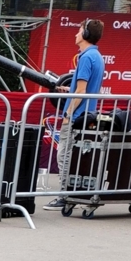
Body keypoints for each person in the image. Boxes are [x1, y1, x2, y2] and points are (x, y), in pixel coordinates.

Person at [47, 19, 105, 210]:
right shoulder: (96, 56)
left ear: (86, 35)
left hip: (77, 116)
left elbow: (81, 91)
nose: (75, 34)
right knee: (75, 156)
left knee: (64, 155)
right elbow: (81, 88)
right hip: (87, 115)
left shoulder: (86, 57)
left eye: (79, 31)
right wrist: (69, 89)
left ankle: (65, 196)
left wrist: (68, 113)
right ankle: (73, 194)